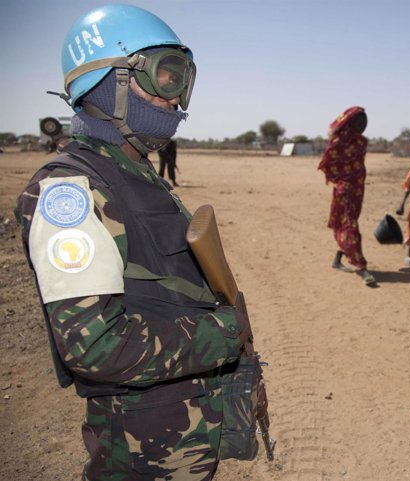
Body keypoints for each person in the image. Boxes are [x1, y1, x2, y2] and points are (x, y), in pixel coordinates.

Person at [14, 5, 257, 479]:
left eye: (183, 81)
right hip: (142, 455)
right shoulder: (71, 192)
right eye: (166, 79)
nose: (176, 100)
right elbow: (96, 346)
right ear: (112, 82)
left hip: (181, 439)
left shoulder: (133, 172)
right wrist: (228, 334)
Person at [318, 106, 376, 285]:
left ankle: (337, 259)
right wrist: (339, 181)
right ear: (350, 122)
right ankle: (361, 267)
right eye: (359, 122)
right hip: (344, 191)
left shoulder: (361, 143)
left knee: (348, 224)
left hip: (358, 189)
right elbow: (327, 163)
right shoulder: (338, 141)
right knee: (350, 227)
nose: (362, 126)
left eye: (364, 123)